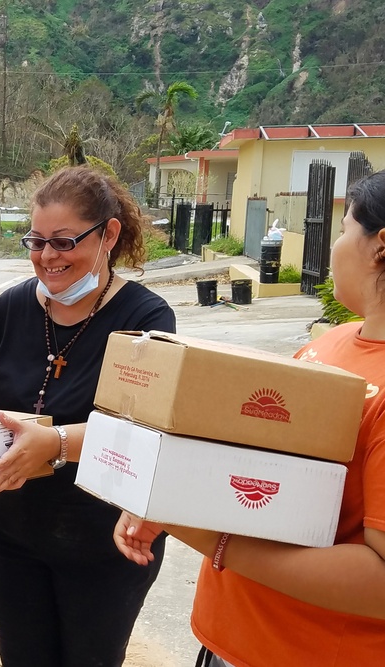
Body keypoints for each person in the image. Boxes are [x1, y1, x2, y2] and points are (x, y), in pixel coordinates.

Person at [115, 171, 385, 667]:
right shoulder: (332, 343)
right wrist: (178, 496)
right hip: (234, 640)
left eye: (344, 229)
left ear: (380, 246)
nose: (334, 246)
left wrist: (207, 536)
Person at [0, 166, 176, 666]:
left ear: (108, 234)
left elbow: (147, 429)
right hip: (13, 534)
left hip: (104, 542)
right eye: (36, 242)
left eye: (64, 243)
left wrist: (57, 443)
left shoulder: (146, 321)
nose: (47, 258)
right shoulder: (11, 308)